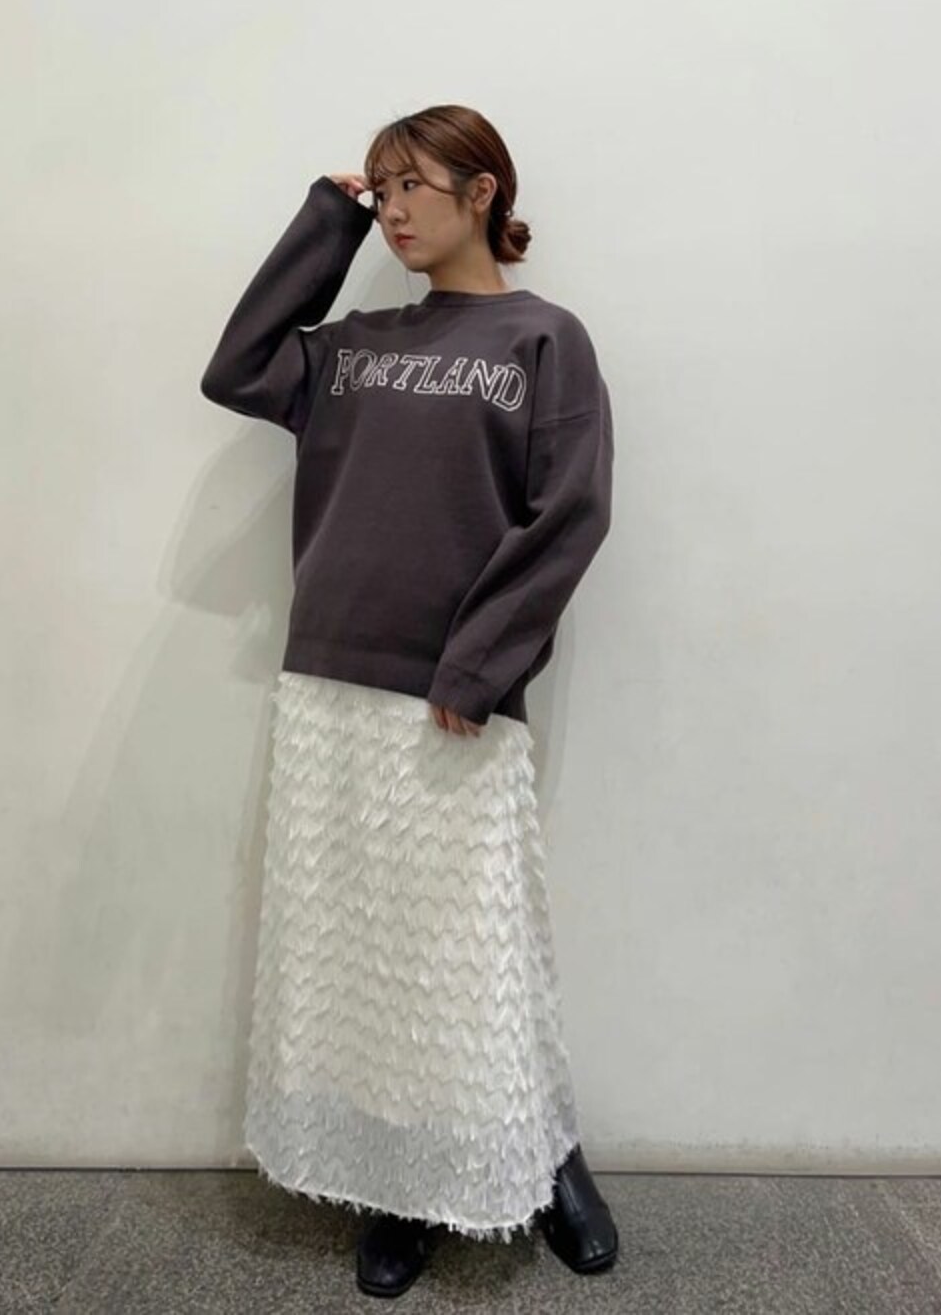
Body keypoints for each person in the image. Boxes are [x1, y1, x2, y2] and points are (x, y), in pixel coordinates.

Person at [200, 103, 618, 1299]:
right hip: (327, 680)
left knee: (467, 951)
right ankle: (397, 1184)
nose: (392, 208)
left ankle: (547, 1157)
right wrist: (325, 219)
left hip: (450, 696)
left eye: (409, 186)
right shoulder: (351, 345)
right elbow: (236, 368)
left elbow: (569, 511)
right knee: (366, 954)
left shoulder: (543, 338)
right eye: (379, 190)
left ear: (482, 191)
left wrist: (477, 665)